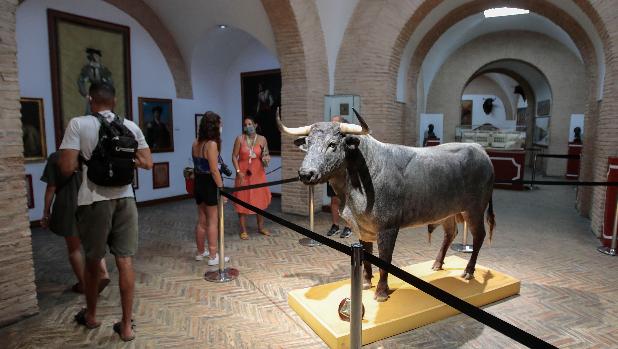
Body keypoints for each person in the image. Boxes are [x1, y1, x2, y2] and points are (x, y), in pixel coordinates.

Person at [58, 82, 152, 342]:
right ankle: (126, 326)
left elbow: (66, 167)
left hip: (93, 199)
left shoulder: (78, 124)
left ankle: (91, 315)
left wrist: (86, 160)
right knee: (125, 261)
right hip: (126, 198)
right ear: (115, 100)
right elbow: (147, 163)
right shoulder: (131, 126)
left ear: (90, 99)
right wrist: (121, 157)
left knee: (92, 261)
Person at [40, 152, 110, 294]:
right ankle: (103, 273)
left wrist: (46, 212)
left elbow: (51, 188)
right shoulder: (89, 154)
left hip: (68, 204)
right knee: (92, 242)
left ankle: (84, 284)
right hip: (90, 202)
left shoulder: (56, 157)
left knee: (74, 248)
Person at [192, 111, 231, 264]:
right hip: (209, 183)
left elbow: (197, 166)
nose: (221, 127)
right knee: (213, 221)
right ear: (214, 126)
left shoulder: (196, 142)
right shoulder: (212, 144)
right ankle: (214, 256)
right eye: (219, 124)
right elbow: (214, 170)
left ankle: (200, 252)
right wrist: (222, 190)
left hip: (199, 182)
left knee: (201, 220)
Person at [232, 116, 272, 240]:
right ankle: (243, 230)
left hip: (258, 173)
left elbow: (266, 155)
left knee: (259, 200)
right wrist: (238, 171)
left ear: (255, 125)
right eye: (245, 124)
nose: (248, 126)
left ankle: (261, 227)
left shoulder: (262, 139)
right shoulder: (240, 139)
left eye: (250, 124)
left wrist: (266, 159)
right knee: (242, 200)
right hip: (243, 174)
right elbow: (234, 156)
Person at [325, 115, 352, 239]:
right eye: (332, 122)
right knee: (334, 200)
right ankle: (335, 225)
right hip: (333, 173)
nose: (332, 124)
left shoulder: (350, 138)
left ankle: (349, 226)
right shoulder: (328, 138)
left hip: (346, 174)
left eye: (335, 122)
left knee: (347, 201)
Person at [77, 48, 113, 115]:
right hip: (93, 92)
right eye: (95, 57)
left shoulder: (103, 69)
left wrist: (107, 90)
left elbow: (110, 81)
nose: (97, 59)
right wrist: (85, 93)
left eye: (97, 57)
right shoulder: (86, 69)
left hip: (103, 91)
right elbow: (80, 81)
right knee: (90, 110)